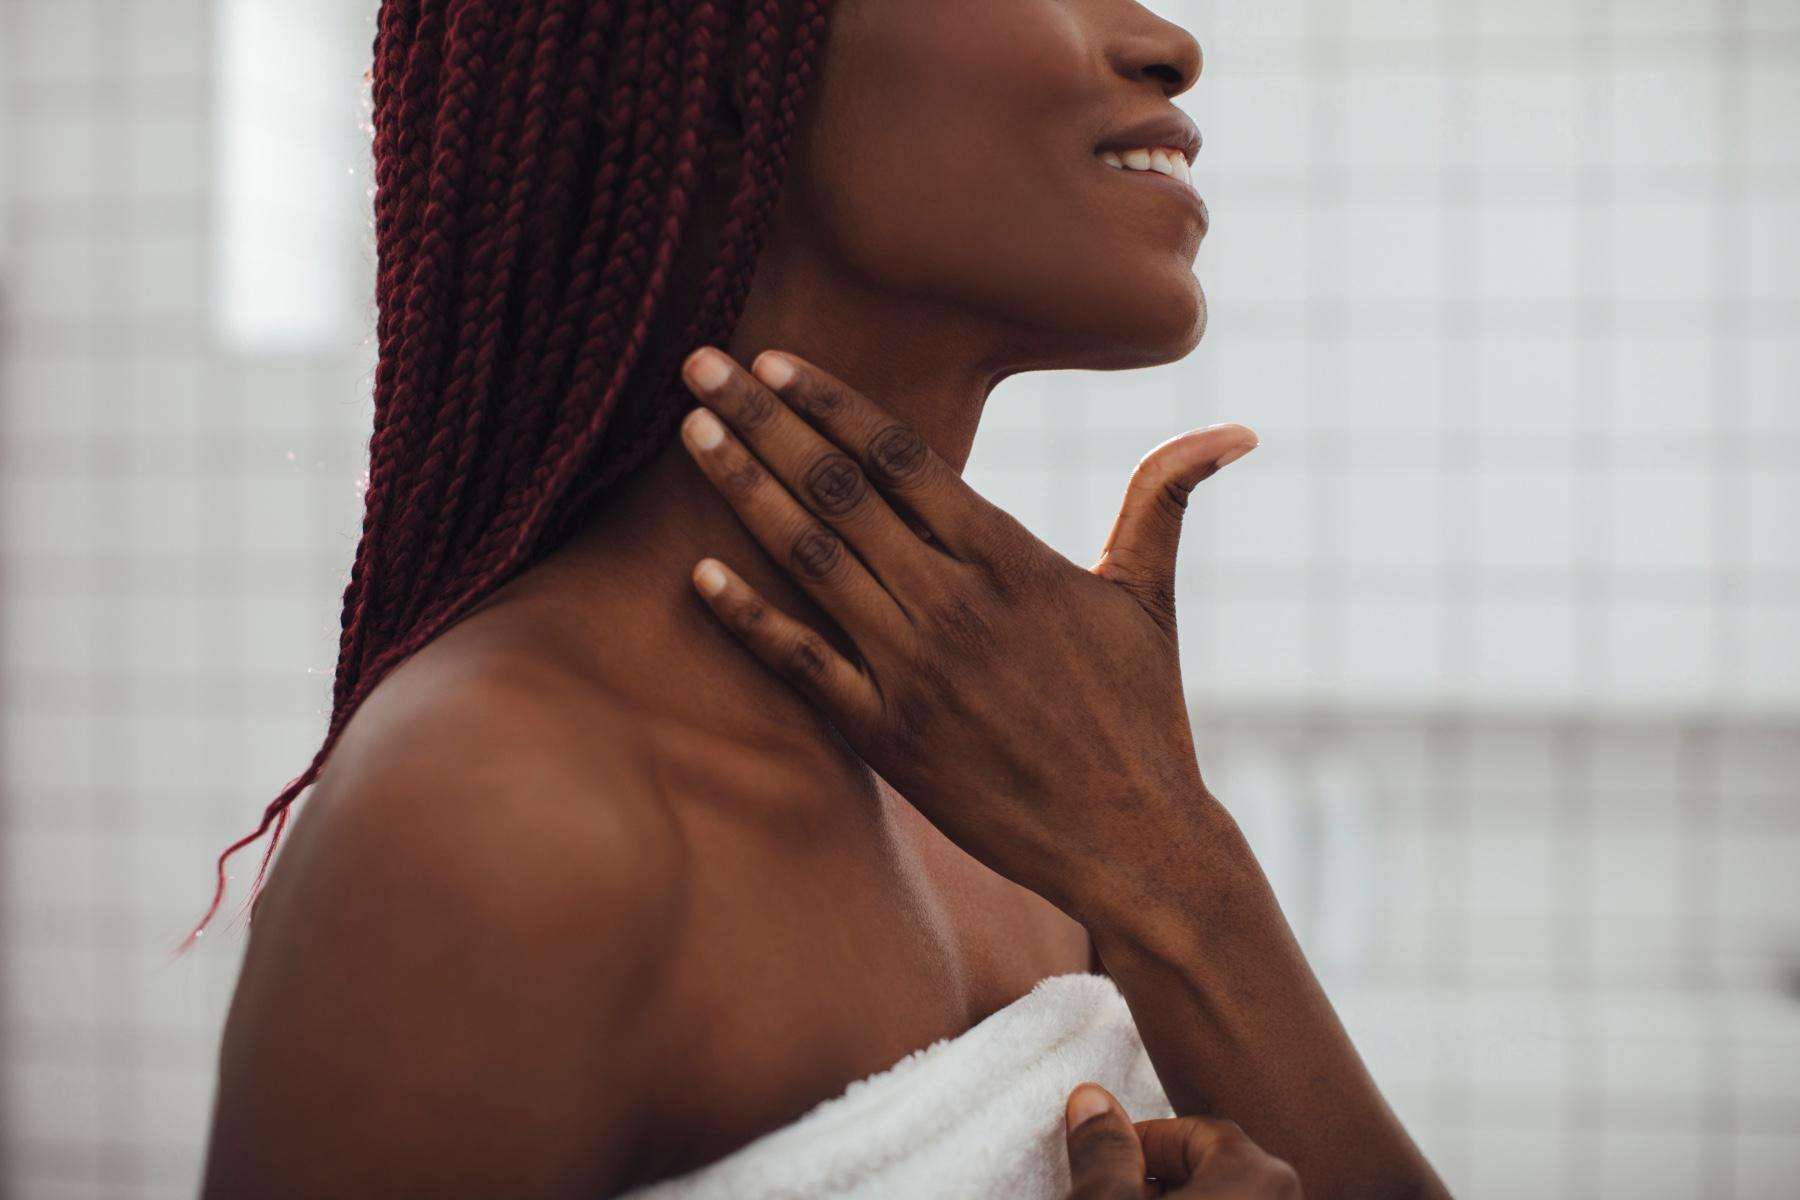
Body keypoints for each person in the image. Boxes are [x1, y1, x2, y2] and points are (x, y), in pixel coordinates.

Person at [199, 2, 1448, 1197]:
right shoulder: (495, 813)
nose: (1168, 44)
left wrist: (1172, 853)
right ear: (738, 59)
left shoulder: (1028, 783)